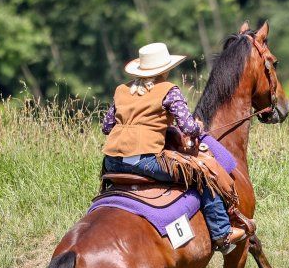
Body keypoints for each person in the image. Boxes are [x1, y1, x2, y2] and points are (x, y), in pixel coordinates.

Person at [101, 42, 247, 253]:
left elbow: (107, 127)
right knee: (203, 176)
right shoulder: (169, 90)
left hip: (112, 162)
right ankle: (222, 234)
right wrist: (197, 128)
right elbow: (187, 127)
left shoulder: (121, 91)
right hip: (146, 161)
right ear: (166, 69)